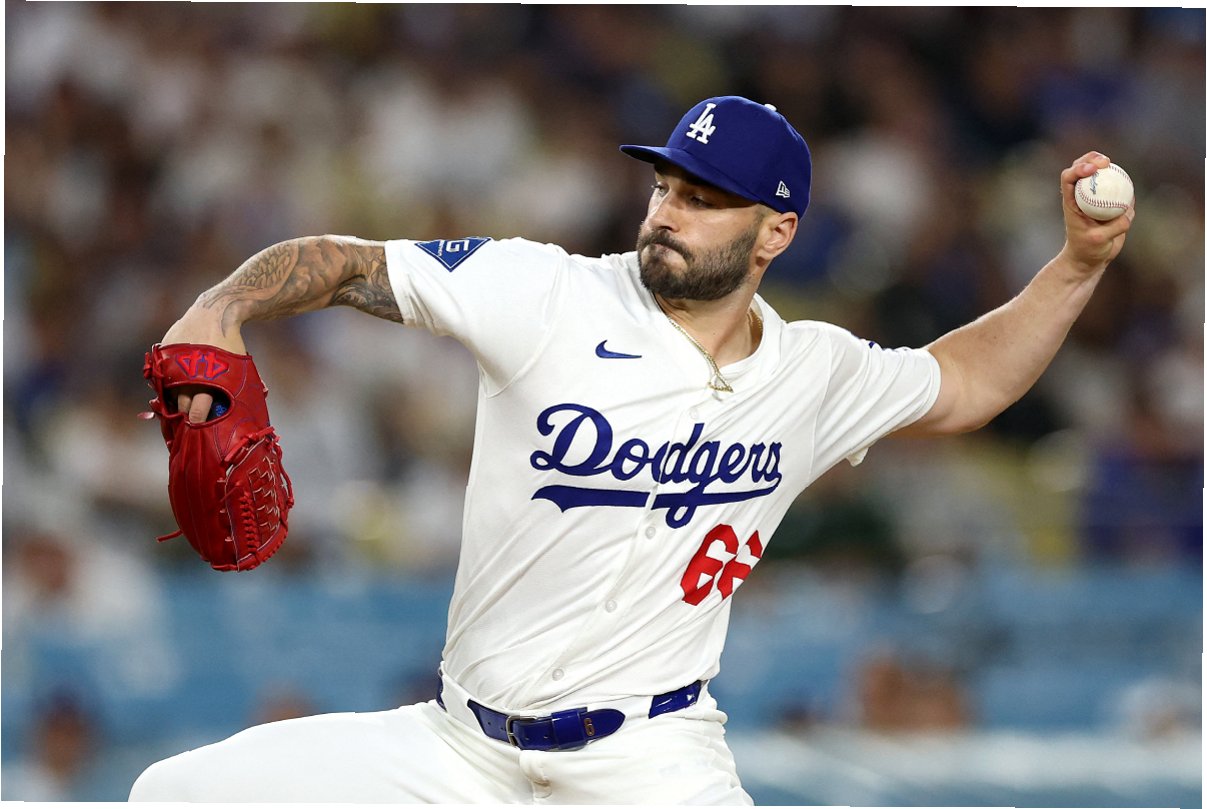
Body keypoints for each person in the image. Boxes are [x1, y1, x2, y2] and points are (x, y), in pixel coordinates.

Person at [129, 96, 1132, 804]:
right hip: (456, 750)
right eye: (665, 184)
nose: (667, 211)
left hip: (648, 761)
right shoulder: (546, 292)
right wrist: (221, 308)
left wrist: (1075, 267)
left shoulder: (812, 372)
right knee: (172, 793)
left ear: (775, 231)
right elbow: (346, 263)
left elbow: (968, 383)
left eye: (704, 197)